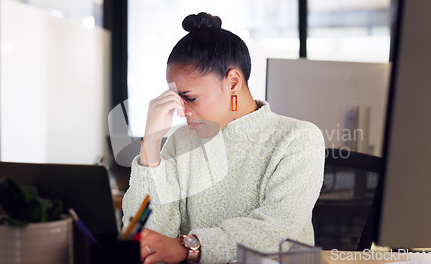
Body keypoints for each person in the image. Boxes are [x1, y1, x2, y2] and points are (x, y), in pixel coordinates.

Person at [122, 12, 325, 264]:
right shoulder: (180, 141)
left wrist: (189, 247)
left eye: (191, 97)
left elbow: (278, 231)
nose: (181, 111)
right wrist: (151, 145)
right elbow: (148, 237)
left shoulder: (298, 139)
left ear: (232, 81)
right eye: (177, 98)